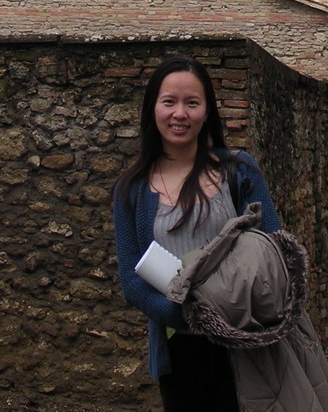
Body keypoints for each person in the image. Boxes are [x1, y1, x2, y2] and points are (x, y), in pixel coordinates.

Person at [112, 55, 282, 412]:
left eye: (192, 103)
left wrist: (234, 317)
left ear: (207, 112)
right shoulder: (132, 190)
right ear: (152, 108)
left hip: (248, 344)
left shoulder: (238, 172)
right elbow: (132, 279)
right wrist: (189, 318)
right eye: (169, 102)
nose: (180, 114)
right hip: (179, 349)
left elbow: (275, 248)